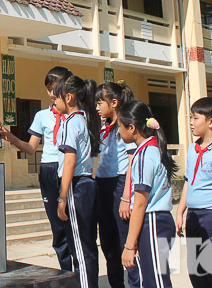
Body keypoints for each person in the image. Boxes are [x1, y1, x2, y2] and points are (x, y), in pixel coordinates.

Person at [0, 66, 73, 271]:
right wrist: (11, 137)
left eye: (55, 87)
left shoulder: (77, 114)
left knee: (73, 224)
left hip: (70, 169)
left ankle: (83, 273)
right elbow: (31, 148)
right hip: (49, 170)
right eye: (48, 88)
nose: (51, 93)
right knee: (57, 227)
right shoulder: (42, 116)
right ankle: (67, 273)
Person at [176, 97, 212, 288]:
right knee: (197, 275)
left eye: (195, 118)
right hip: (194, 217)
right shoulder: (194, 148)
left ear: (211, 122)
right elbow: (188, 182)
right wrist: (180, 212)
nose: (191, 123)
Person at [119, 100, 178, 288]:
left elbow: (140, 204)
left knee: (156, 282)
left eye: (120, 127)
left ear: (132, 127)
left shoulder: (145, 155)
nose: (119, 132)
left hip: (153, 221)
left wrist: (129, 246)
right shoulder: (150, 150)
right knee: (151, 279)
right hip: (154, 221)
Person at [54, 75, 101, 288]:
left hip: (76, 187)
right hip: (87, 184)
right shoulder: (84, 119)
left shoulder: (71, 123)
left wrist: (62, 197)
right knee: (88, 245)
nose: (55, 101)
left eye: (58, 96)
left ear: (69, 98)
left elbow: (70, 161)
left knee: (80, 248)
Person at [95, 82, 139, 288]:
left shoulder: (125, 124)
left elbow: (131, 162)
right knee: (108, 242)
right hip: (103, 183)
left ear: (114, 102)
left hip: (120, 183)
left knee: (124, 241)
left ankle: (135, 282)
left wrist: (126, 196)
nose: (96, 107)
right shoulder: (104, 124)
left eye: (99, 102)